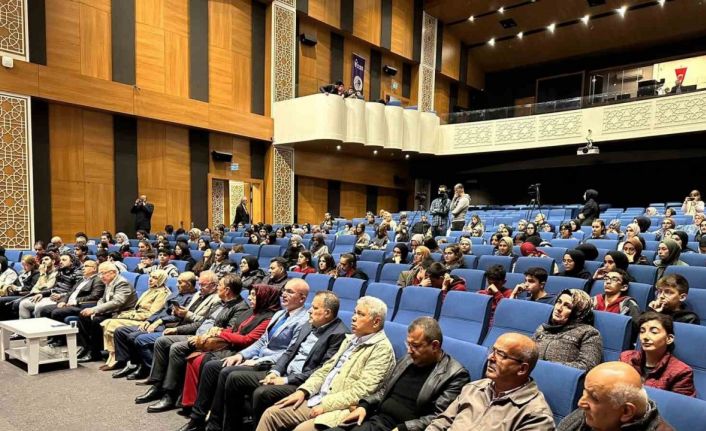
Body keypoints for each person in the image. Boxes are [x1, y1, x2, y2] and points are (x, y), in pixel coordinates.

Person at [189, 290, 348, 431]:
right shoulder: (308, 324)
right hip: (281, 371)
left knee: (261, 393)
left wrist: (284, 379)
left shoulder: (338, 334)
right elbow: (289, 352)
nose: (310, 311)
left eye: (314, 308)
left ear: (327, 313)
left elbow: (321, 370)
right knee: (232, 377)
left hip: (300, 381)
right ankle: (225, 427)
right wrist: (275, 371)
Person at [256, 296, 396, 431]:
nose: (353, 317)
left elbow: (363, 391)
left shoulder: (382, 349)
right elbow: (325, 369)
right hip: (318, 397)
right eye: (354, 312)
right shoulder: (351, 339)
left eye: (360, 314)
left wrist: (325, 405)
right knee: (271, 414)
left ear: (376, 322)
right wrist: (303, 390)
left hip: (341, 408)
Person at [134, 274, 252, 412]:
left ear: (227, 290)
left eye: (219, 285)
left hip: (208, 342)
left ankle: (170, 394)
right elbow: (201, 323)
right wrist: (178, 329)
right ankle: (158, 385)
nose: (217, 288)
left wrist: (203, 338)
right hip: (197, 335)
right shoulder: (220, 303)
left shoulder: (240, 307)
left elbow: (228, 332)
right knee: (162, 341)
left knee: (176, 348)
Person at [334, 317, 470, 431]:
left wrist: (403, 428)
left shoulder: (455, 375)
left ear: (434, 346)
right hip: (375, 419)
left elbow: (439, 418)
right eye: (408, 344)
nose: (409, 351)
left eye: (415, 346)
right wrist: (365, 406)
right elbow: (384, 391)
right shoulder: (408, 359)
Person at [179, 285, 283, 414]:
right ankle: (190, 403)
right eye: (250, 294)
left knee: (205, 360)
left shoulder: (268, 318)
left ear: (264, 297)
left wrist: (221, 334)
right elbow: (235, 330)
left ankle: (201, 409)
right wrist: (220, 330)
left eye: (254, 295)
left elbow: (248, 340)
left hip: (244, 351)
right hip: (233, 346)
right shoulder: (251, 311)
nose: (249, 298)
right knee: (194, 358)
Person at [425, 333, 554, 431]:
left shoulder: (536, 415)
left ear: (522, 369)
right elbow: (441, 423)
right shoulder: (474, 388)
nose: (490, 358)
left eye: (501, 354)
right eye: (493, 351)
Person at [112, 271, 200, 380]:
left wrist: (159, 321)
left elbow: (179, 318)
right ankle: (127, 363)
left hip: (168, 326)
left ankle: (146, 368)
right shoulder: (175, 293)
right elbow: (161, 310)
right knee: (120, 331)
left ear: (189, 284)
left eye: (180, 282)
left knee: (133, 337)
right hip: (156, 322)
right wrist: (149, 321)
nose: (177, 285)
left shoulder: (192, 298)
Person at [557, 361, 675, 431]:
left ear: (626, 412)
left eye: (594, 397)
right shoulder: (587, 415)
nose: (580, 403)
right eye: (585, 391)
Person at [99, 269, 171, 370]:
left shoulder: (162, 293)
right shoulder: (149, 290)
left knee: (110, 324)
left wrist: (129, 316)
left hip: (144, 321)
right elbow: (137, 309)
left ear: (162, 280)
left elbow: (151, 314)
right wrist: (126, 314)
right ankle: (112, 355)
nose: (150, 279)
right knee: (107, 323)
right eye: (150, 276)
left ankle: (117, 359)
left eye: (155, 278)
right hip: (137, 316)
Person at [619, 312, 695, 397]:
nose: (645, 337)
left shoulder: (681, 372)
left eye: (654, 332)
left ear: (669, 339)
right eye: (642, 331)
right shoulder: (626, 358)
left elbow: (679, 404)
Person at [77, 262, 138, 363]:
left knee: (97, 321)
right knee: (83, 316)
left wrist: (94, 310)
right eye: (99, 274)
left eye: (103, 273)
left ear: (113, 272)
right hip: (110, 311)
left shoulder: (122, 283)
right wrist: (96, 309)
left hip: (121, 313)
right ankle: (86, 347)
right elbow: (103, 299)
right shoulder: (109, 281)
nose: (101, 276)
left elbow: (117, 302)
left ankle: (94, 353)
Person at [534, 289, 603, 371]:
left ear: (578, 312)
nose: (559, 308)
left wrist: (548, 366)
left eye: (568, 306)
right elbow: (529, 352)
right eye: (559, 302)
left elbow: (587, 366)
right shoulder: (543, 328)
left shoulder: (589, 333)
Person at [40, 259, 105, 327]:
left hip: (80, 305)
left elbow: (95, 296)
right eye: (83, 266)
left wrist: (75, 301)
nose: (83, 268)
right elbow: (70, 292)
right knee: (44, 309)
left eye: (86, 266)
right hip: (68, 303)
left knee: (56, 312)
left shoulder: (98, 280)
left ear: (94, 269)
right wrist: (63, 301)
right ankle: (48, 332)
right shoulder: (82, 279)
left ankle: (60, 333)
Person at [18, 253, 81, 319]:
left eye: (64, 260)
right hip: (53, 296)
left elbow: (75, 291)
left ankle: (39, 325)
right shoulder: (61, 271)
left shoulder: (77, 273)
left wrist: (61, 295)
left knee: (39, 307)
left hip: (63, 298)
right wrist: (42, 294)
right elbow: (54, 288)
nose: (61, 262)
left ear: (71, 262)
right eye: (60, 260)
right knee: (23, 304)